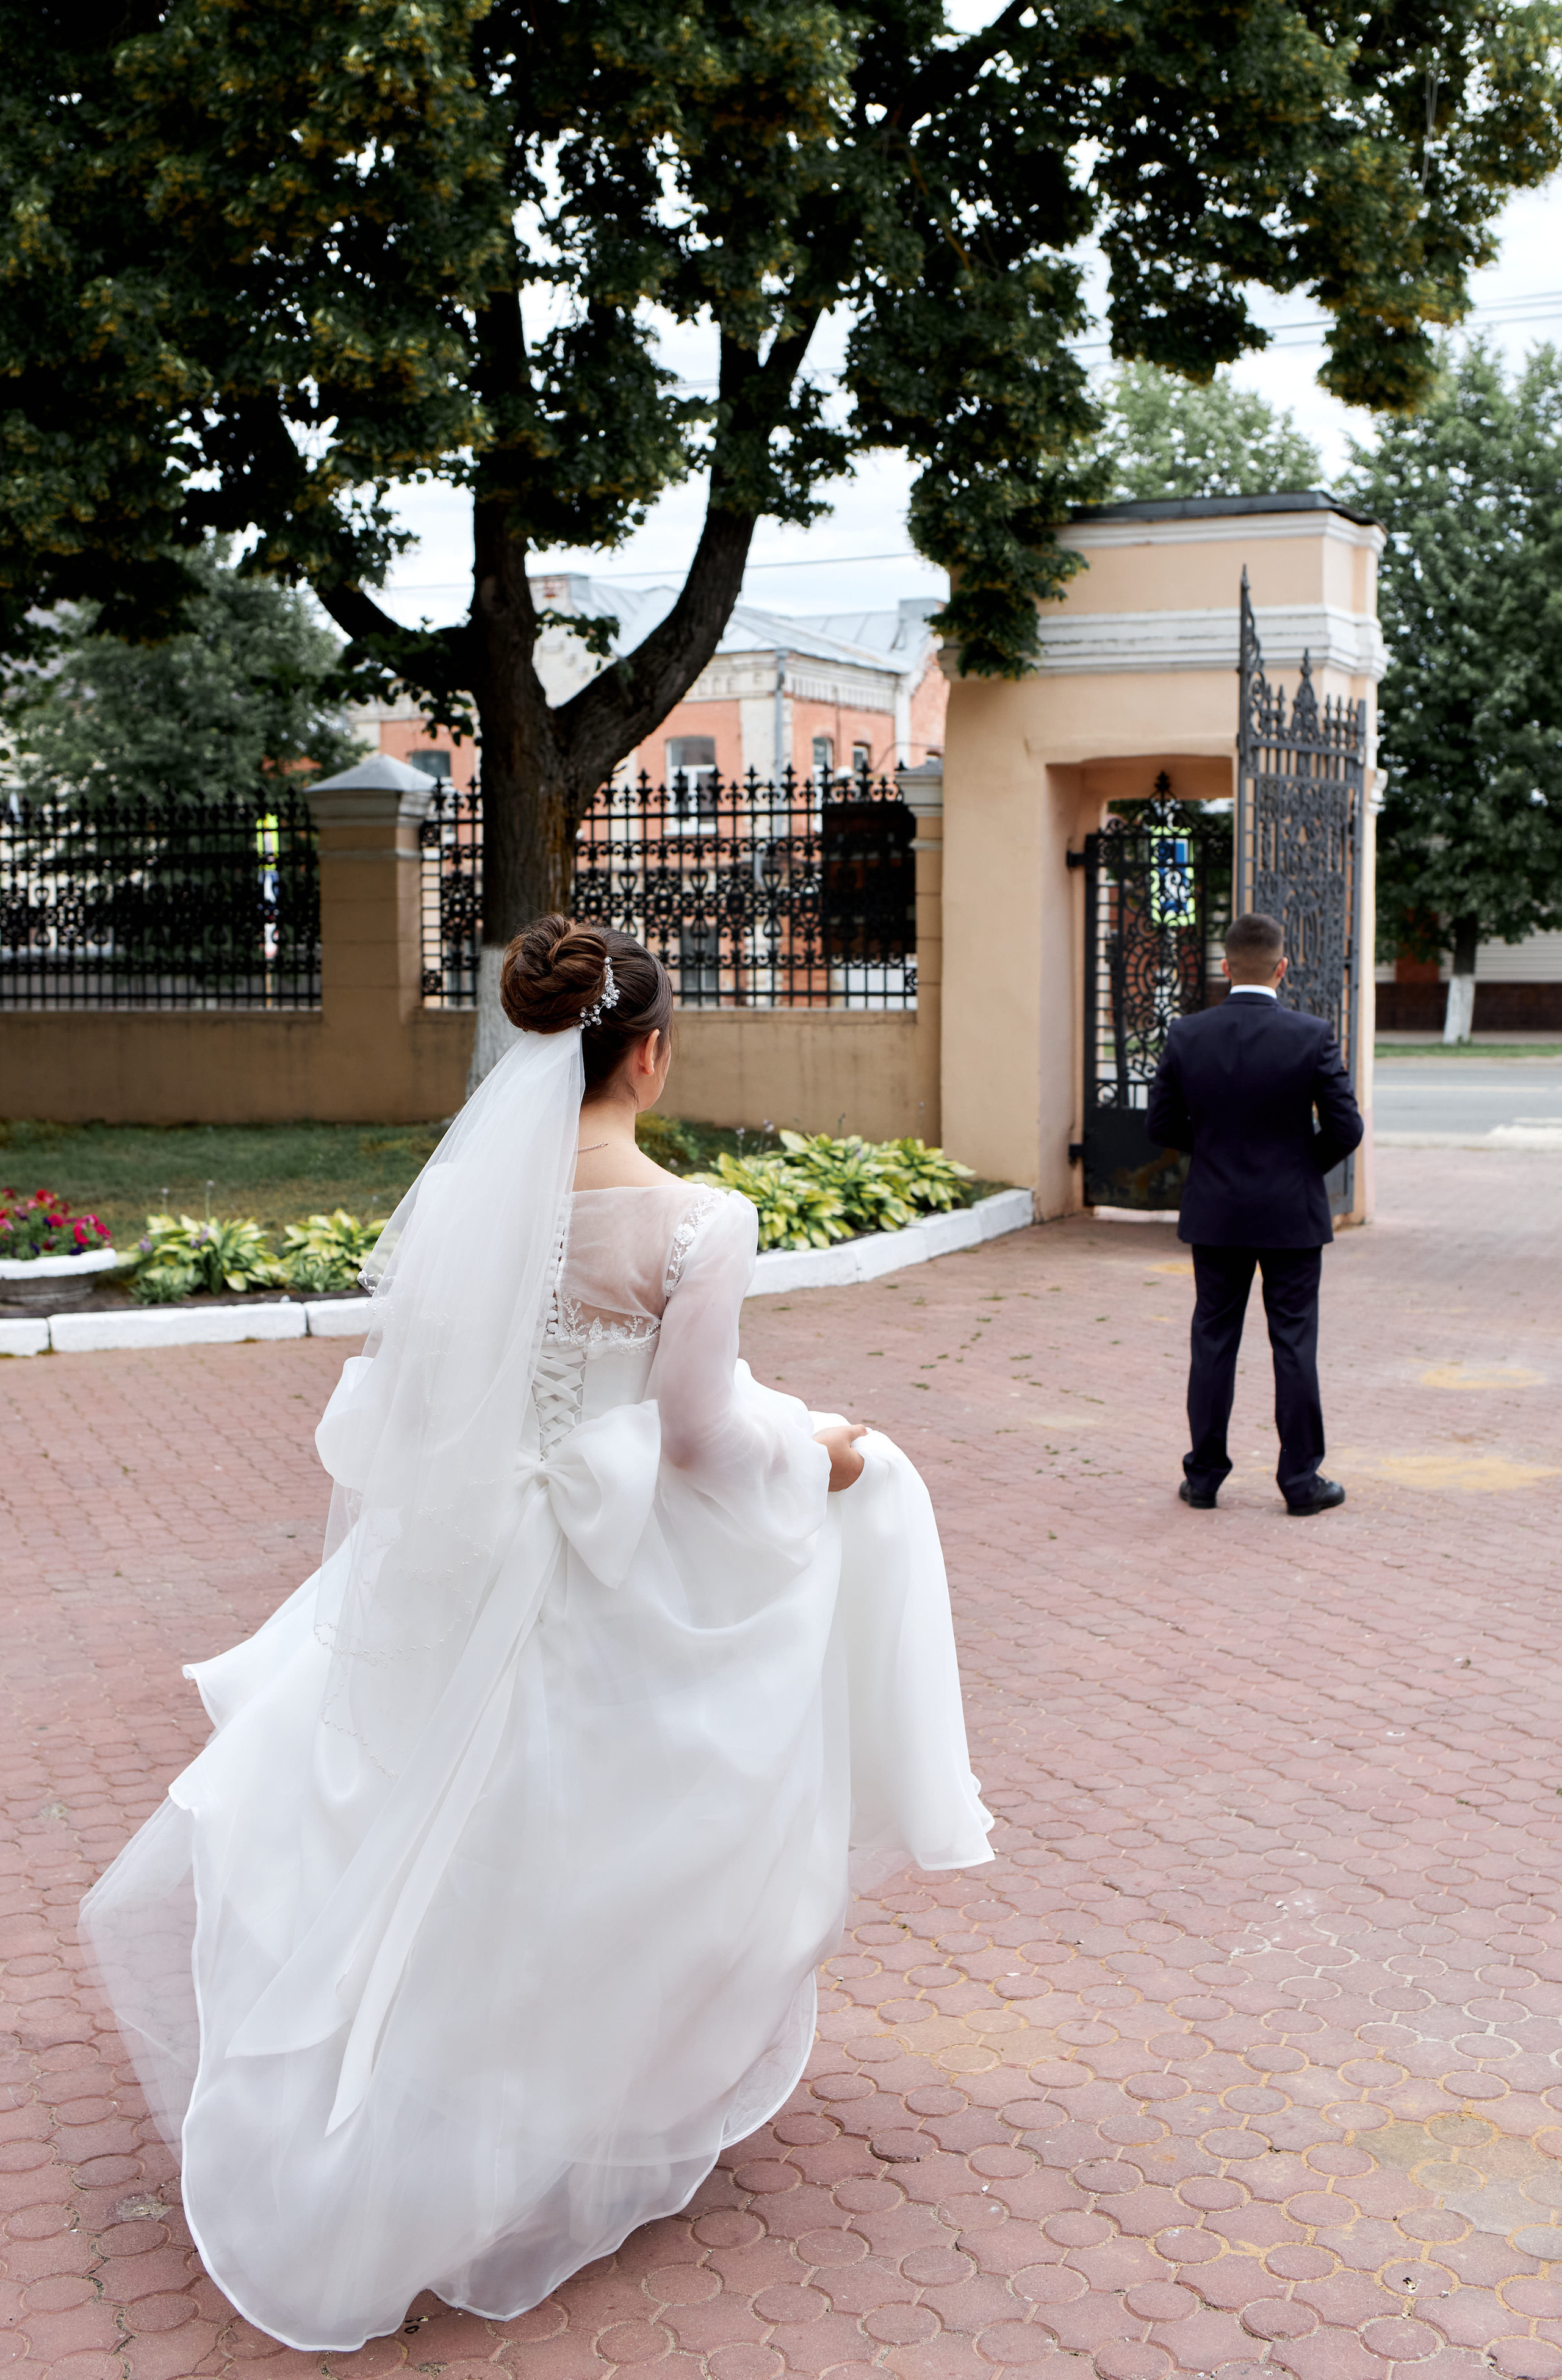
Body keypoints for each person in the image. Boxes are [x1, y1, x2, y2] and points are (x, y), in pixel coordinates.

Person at [79, 918, 992, 2354]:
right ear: (649, 1051)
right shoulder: (696, 1220)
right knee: (606, 1836)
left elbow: (440, 1399)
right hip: (604, 1571)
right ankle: (572, 2096)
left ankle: (434, 2079)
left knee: (446, 1820)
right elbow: (696, 1438)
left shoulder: (469, 1209)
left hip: (469, 1556)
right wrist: (823, 1451)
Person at [1145, 909, 1364, 1516]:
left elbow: (1159, 1124)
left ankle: (1204, 1479)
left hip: (1216, 1212)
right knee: (1293, 1344)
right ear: (1282, 968)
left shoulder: (1187, 1035)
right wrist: (1295, 1169)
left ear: (1224, 967)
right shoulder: (1312, 1034)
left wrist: (1216, 1156)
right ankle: (1300, 1484)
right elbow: (1346, 1128)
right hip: (1291, 1215)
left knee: (1213, 1341)